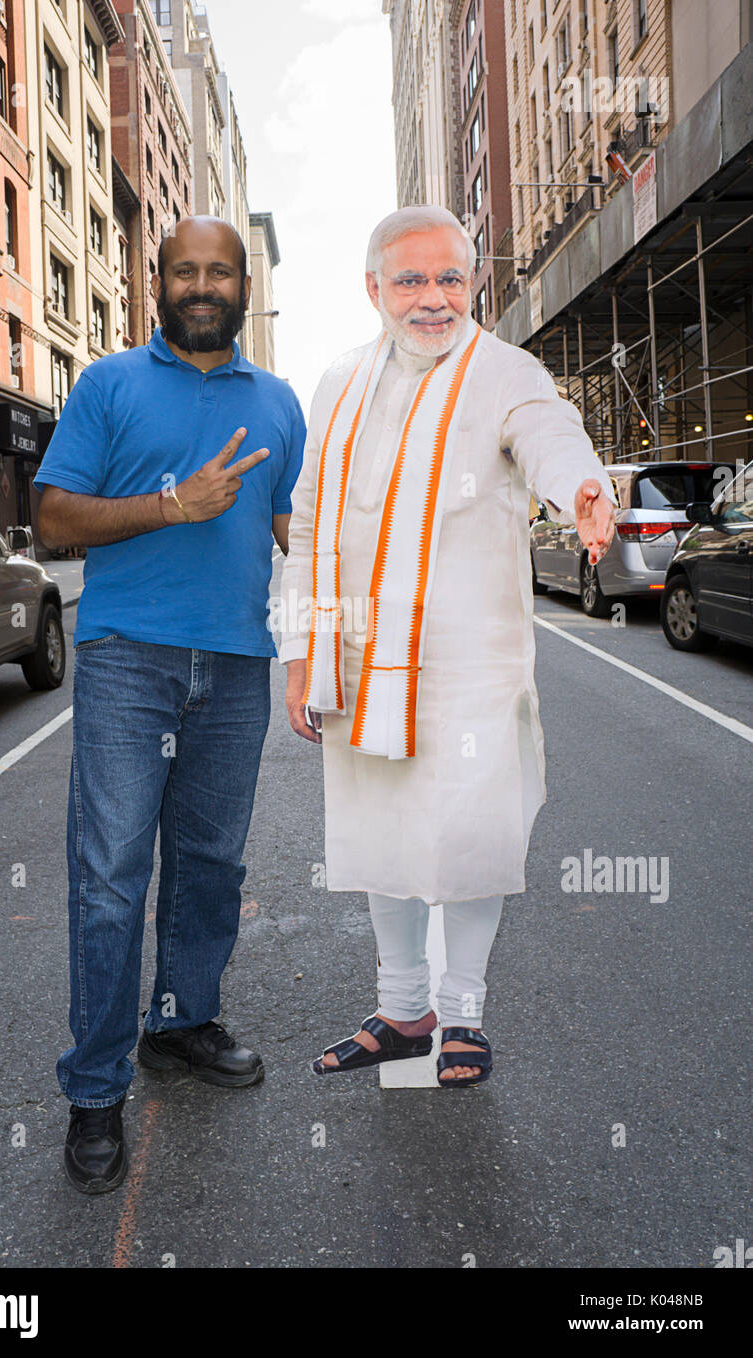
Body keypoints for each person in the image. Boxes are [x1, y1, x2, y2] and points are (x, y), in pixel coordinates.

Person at [278, 206, 616, 1086]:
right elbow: (309, 521)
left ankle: (462, 1013)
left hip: (470, 667)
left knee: (470, 838)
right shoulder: (340, 382)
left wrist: (581, 484)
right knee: (382, 836)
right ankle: (401, 1011)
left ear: (475, 282)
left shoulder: (506, 371)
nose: (433, 299)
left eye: (451, 278)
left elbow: (547, 430)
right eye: (411, 280)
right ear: (373, 288)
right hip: (359, 661)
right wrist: (300, 654)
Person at [34, 216, 307, 1192]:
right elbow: (53, 514)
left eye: (219, 271)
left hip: (235, 667)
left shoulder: (277, 403)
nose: (202, 284)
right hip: (126, 662)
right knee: (109, 878)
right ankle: (95, 1089)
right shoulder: (108, 384)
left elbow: (299, 537)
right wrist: (167, 505)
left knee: (209, 868)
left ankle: (180, 1022)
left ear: (243, 288)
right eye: (183, 269)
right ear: (156, 283)